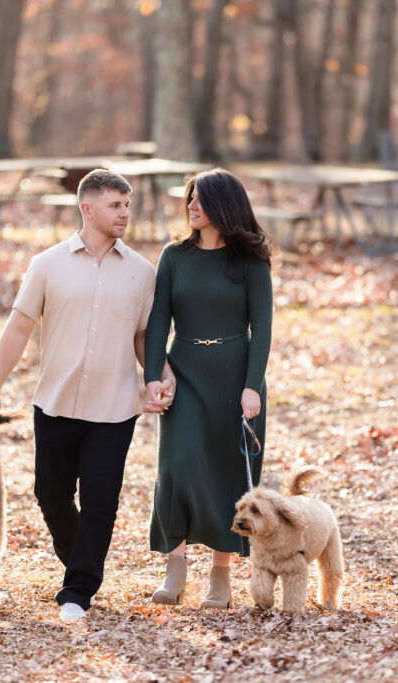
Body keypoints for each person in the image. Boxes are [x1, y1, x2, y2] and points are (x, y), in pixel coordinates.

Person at [0, 169, 174, 621]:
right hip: (56, 402)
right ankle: (81, 563)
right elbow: (18, 329)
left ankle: (80, 589)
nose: (125, 213)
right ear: (87, 208)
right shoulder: (47, 264)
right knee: (50, 494)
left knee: (101, 501)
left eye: (127, 205)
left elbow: (145, 338)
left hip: (114, 407)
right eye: (115, 205)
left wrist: (159, 379)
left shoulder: (143, 273)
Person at [143, 167, 273, 609]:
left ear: (224, 205)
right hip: (185, 374)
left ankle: (221, 574)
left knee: (227, 473)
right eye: (190, 198)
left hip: (236, 376)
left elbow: (264, 329)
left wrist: (252, 386)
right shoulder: (174, 256)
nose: (191, 205)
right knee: (176, 465)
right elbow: (158, 319)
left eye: (200, 199)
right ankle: (175, 566)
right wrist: (154, 376)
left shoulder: (250, 260)